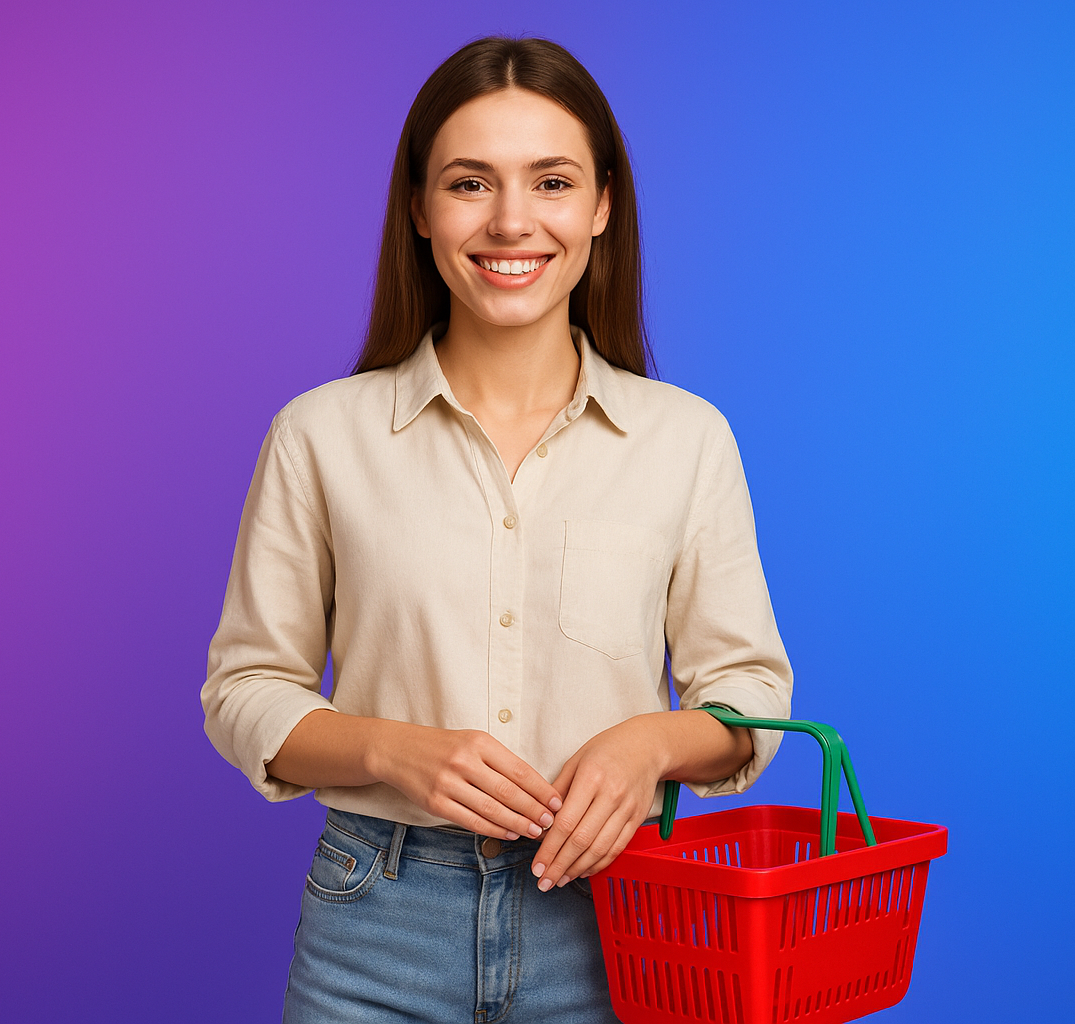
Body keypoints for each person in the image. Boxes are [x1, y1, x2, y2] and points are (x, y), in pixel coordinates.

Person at [201, 35, 793, 1023]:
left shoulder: (686, 439)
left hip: (621, 922)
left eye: (551, 182)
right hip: (375, 923)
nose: (511, 220)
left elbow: (751, 696)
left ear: (602, 206)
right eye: (470, 182)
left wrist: (649, 743)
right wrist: (390, 750)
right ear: (420, 210)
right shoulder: (320, 435)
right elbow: (246, 690)